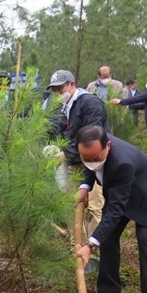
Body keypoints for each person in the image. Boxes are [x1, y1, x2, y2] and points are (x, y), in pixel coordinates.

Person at [75, 125, 147, 293]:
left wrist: (90, 245)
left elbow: (115, 210)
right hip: (123, 189)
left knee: (146, 241)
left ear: (108, 146)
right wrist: (85, 186)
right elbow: (91, 166)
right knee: (108, 237)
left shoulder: (122, 162)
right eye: (86, 158)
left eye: (95, 158)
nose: (91, 162)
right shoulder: (92, 144)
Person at [47, 70, 109, 237]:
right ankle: (78, 249)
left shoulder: (89, 103)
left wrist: (65, 153)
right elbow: (62, 130)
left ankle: (94, 252)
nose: (57, 93)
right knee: (75, 206)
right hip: (75, 163)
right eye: (54, 90)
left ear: (71, 84)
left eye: (60, 88)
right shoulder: (66, 107)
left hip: (95, 163)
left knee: (95, 207)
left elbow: (93, 136)